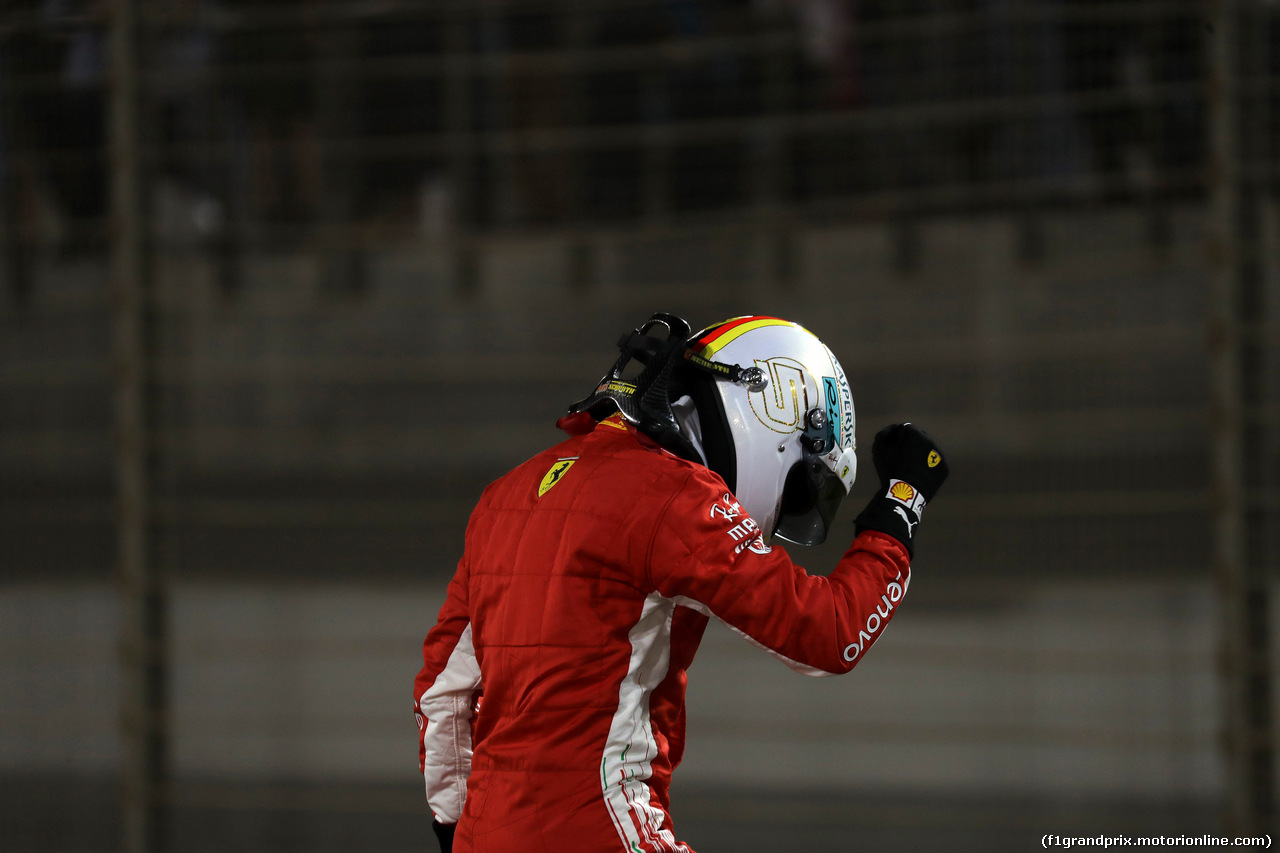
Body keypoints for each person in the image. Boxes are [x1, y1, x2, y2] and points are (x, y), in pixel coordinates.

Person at [413, 313, 949, 853]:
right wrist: (902, 502)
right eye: (802, 487)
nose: (786, 510)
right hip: (609, 830)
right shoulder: (674, 496)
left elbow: (443, 694)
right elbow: (830, 633)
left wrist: (456, 829)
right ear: (780, 418)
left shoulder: (506, 494)